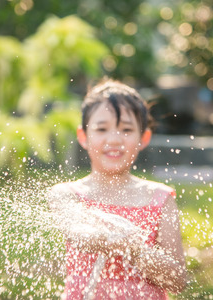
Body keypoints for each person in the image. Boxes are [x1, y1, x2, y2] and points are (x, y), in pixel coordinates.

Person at [48, 78, 187, 299]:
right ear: (83, 136)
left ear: (144, 138)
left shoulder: (159, 199)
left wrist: (136, 249)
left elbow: (178, 280)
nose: (114, 139)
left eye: (126, 129)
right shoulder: (67, 195)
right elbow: (77, 233)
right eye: (102, 129)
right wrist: (113, 238)